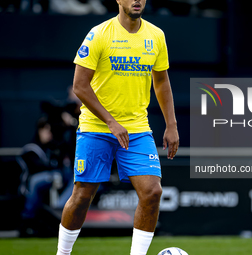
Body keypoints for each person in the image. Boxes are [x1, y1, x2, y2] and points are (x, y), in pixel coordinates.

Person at [56, 0, 179, 254]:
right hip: (97, 127)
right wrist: (111, 122)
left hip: (136, 129)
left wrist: (172, 124)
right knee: (82, 196)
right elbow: (79, 86)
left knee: (152, 192)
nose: (137, 0)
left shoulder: (156, 36)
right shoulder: (99, 33)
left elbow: (162, 82)